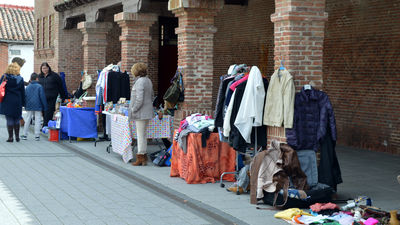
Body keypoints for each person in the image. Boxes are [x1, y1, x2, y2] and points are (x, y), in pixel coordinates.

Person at [128, 63, 154, 166]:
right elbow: (152, 96)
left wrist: (134, 109)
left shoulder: (139, 82)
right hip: (147, 111)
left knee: (140, 135)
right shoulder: (148, 80)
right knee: (143, 134)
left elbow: (139, 99)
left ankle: (141, 156)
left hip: (141, 112)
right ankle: (143, 157)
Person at [0, 63, 25, 142]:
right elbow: (22, 92)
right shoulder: (20, 79)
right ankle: (17, 137)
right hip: (17, 100)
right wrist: (24, 103)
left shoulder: (4, 77)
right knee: (17, 118)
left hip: (7, 100)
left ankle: (10, 137)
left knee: (9, 119)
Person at [38, 62, 66, 128]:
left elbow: (60, 86)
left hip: (52, 97)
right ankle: (47, 125)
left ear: (48, 68)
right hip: (42, 98)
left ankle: (45, 126)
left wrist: (63, 96)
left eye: (46, 68)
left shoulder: (54, 76)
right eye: (43, 68)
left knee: (49, 111)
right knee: (44, 112)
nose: (44, 69)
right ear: (41, 69)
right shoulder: (39, 76)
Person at [21, 73, 48, 141]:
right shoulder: (39, 86)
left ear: (30, 79)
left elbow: (25, 97)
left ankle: (24, 134)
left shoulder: (28, 87)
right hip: (38, 105)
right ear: (37, 79)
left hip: (29, 105)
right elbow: (42, 97)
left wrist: (25, 105)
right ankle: (37, 135)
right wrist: (45, 106)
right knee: (38, 120)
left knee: (27, 120)